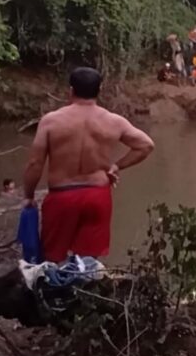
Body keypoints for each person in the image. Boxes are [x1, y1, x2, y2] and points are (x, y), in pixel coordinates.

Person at [22, 67, 154, 262]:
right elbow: (146, 145)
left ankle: (54, 289)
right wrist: (116, 166)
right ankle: (86, 291)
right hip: (97, 195)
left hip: (62, 195)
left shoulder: (51, 121)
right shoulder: (114, 121)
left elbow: (35, 163)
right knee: (89, 260)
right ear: (99, 90)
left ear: (71, 90)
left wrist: (29, 196)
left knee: (52, 258)